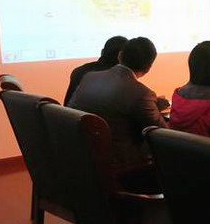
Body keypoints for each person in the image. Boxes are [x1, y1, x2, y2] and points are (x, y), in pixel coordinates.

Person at [69, 37, 168, 175]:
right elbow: (163, 134)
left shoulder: (89, 77)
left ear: (120, 55)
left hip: (81, 157)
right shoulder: (142, 93)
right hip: (120, 166)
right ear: (148, 68)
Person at [63, 36, 127, 105]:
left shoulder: (79, 71)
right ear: (121, 56)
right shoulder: (124, 80)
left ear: (102, 52)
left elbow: (66, 106)